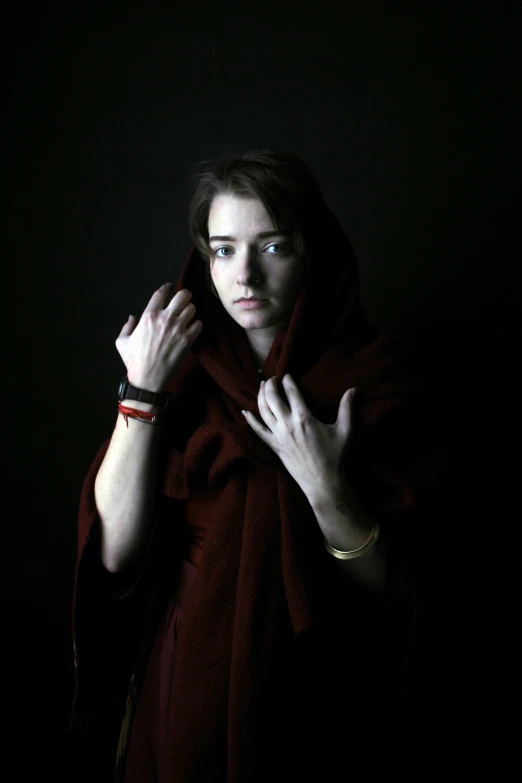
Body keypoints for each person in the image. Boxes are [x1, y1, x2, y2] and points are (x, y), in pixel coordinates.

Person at [69, 148, 454, 782]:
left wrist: (323, 482)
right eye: (223, 250)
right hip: (187, 662)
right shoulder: (176, 375)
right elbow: (113, 558)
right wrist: (141, 389)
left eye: (272, 247)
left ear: (312, 252)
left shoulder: (372, 382)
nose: (244, 274)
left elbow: (399, 603)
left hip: (318, 686)